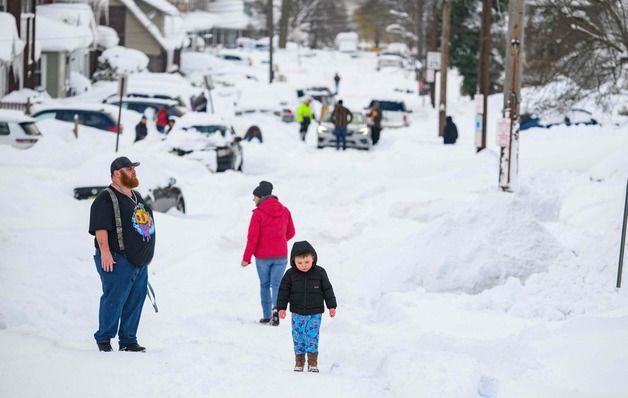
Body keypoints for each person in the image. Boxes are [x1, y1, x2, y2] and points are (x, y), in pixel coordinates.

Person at [88, 156, 156, 352]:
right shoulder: (106, 198)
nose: (133, 171)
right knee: (114, 299)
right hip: (117, 259)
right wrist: (105, 253)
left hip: (138, 262)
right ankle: (104, 339)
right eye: (129, 169)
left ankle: (128, 340)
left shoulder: (135, 196)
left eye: (133, 168)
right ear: (116, 173)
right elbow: (101, 228)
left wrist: (145, 254)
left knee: (135, 300)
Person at [277, 240, 337, 373]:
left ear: (313, 258)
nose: (303, 265)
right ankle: (299, 360)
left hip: (315, 312)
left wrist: (331, 306)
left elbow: (328, 289)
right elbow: (283, 291)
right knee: (298, 336)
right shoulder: (290, 275)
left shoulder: (320, 273)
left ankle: (312, 362)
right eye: (299, 263)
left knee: (312, 336)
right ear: (293, 261)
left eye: (307, 262)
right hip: (297, 312)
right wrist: (281, 307)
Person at [241, 181, 296, 326]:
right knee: (276, 284)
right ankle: (276, 310)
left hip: (263, 257)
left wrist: (246, 258)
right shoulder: (285, 211)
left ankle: (266, 316)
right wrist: (279, 241)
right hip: (281, 256)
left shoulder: (258, 214)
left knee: (265, 285)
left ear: (261, 196)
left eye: (255, 197)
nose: (253, 200)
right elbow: (291, 232)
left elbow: (252, 238)